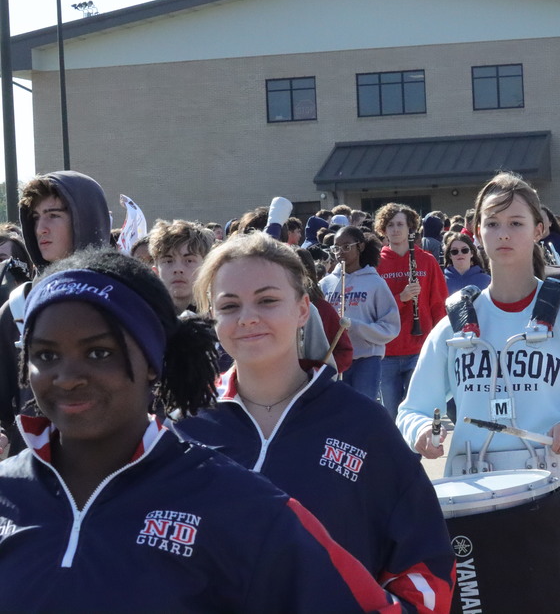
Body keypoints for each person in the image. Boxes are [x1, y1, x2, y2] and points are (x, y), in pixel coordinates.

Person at [0, 249, 398, 613]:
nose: (67, 378)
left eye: (99, 353)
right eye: (46, 355)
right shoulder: (7, 492)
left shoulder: (242, 504)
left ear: (153, 361)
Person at [176, 234, 454, 613]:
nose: (248, 317)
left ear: (303, 308)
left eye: (267, 300)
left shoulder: (362, 424)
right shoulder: (185, 429)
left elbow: (425, 561)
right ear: (213, 317)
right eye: (229, 305)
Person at [397, 171, 560, 552]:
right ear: (476, 232)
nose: (503, 234)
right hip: (473, 502)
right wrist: (424, 430)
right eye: (492, 224)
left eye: (516, 223)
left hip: (554, 501)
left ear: (539, 229)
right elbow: (412, 410)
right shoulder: (454, 326)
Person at [0, 171, 111, 456]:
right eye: (35, 217)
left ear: (84, 217)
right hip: (36, 474)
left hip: (118, 470)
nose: (41, 229)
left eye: (53, 214)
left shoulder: (127, 301)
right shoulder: (17, 307)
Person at [375, 204, 447, 419]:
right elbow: (374, 310)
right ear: (383, 230)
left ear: (410, 228)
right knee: (391, 415)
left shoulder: (427, 260)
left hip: (420, 348)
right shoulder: (375, 264)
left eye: (400, 224)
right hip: (387, 351)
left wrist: (440, 343)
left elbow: (439, 304)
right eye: (390, 225)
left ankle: (414, 453)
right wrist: (402, 299)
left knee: (417, 413)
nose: (395, 230)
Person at [320, 226, 400, 403]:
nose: (340, 252)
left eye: (346, 246)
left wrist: (355, 326)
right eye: (336, 248)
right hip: (334, 360)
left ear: (360, 247)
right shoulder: (325, 284)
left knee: (362, 408)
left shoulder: (375, 283)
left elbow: (391, 327)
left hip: (366, 359)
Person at [148, 219, 215, 314]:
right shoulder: (144, 318)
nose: (178, 269)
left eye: (189, 260)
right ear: (156, 271)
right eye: (168, 261)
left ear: (205, 268)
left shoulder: (219, 316)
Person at [442, 230, 491, 294]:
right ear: (450, 255)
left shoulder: (486, 280)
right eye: (454, 251)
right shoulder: (441, 281)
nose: (460, 254)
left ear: (472, 253)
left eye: (464, 250)